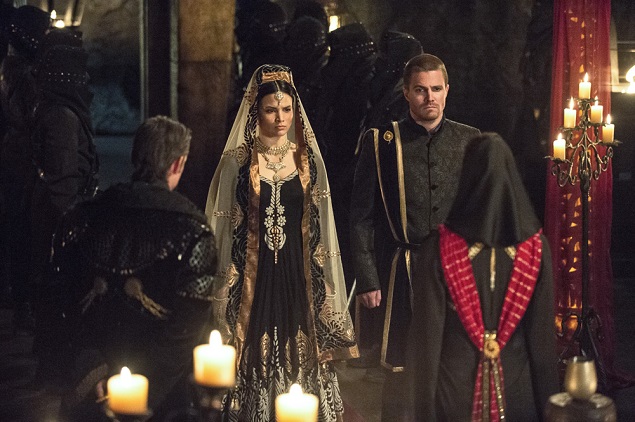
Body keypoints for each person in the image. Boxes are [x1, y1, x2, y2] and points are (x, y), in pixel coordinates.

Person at [39, 116, 217, 420]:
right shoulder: (193, 230)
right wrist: (145, 387)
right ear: (178, 163)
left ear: (136, 156)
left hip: (95, 382)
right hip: (164, 397)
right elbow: (188, 326)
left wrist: (91, 369)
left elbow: (58, 300)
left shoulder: (81, 217)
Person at [206, 64, 357, 422]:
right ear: (255, 112)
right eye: (271, 110)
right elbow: (224, 225)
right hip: (252, 275)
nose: (280, 118)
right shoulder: (238, 163)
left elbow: (321, 226)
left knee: (300, 339)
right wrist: (224, 281)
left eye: (287, 109)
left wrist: (324, 281)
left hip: (296, 271)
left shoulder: (308, 161)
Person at [350, 53, 480, 420]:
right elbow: (361, 217)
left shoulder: (470, 140)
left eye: (436, 89)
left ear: (447, 90)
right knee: (400, 373)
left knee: (453, 366)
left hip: (456, 272)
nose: (430, 97)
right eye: (421, 90)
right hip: (403, 272)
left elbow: (481, 211)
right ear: (406, 92)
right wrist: (368, 279)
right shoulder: (381, 142)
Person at [406, 133, 559, 421]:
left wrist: (422, 412)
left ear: (467, 178)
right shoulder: (536, 250)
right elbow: (542, 345)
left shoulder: (439, 249)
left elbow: (426, 342)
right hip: (517, 394)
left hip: (454, 393)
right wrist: (550, 411)